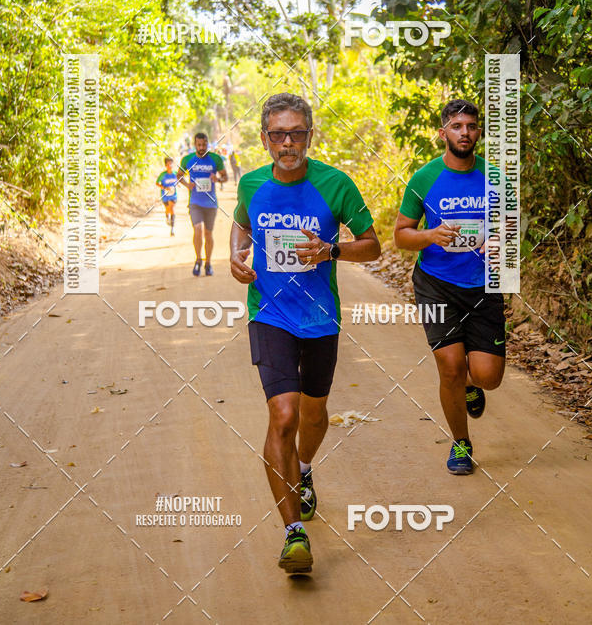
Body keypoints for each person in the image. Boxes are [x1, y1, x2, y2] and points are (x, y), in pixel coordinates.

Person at [230, 93, 380, 574]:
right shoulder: (252, 184)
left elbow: (373, 246)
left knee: (314, 415)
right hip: (269, 314)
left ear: (310, 136)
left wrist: (331, 251)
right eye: (278, 134)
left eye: (296, 133)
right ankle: (294, 533)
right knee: (283, 415)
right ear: (264, 138)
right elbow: (241, 224)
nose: (287, 143)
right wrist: (235, 256)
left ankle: (305, 468)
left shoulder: (336, 184)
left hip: (319, 318)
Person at [394, 99, 506, 476]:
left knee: (488, 376)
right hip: (436, 285)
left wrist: (499, 240)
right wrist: (430, 235)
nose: (464, 133)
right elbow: (401, 235)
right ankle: (461, 442)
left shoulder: (495, 177)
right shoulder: (424, 178)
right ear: (443, 133)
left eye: (471, 126)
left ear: (479, 132)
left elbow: (508, 227)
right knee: (451, 367)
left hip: (483, 286)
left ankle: (471, 384)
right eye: (457, 126)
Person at [179, 133, 227, 275]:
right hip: (195, 202)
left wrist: (218, 179)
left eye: (204, 145)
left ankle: (208, 263)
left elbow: (225, 176)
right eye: (199, 145)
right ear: (195, 145)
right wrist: (187, 185)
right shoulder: (187, 159)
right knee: (198, 230)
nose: (201, 148)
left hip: (211, 203)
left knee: (208, 233)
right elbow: (179, 176)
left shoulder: (215, 159)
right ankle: (198, 260)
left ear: (208, 144)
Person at [155, 157, 178, 236]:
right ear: (165, 165)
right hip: (165, 195)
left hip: (173, 195)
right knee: (168, 209)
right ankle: (167, 216)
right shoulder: (163, 175)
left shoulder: (175, 174)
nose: (170, 166)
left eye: (171, 164)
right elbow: (157, 183)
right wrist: (164, 188)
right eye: (168, 164)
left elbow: (180, 179)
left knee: (172, 209)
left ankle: (172, 229)